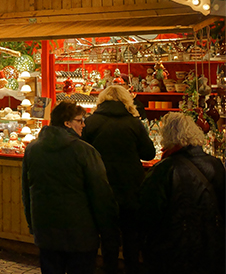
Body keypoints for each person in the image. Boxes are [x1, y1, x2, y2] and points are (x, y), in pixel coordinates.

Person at [22, 101, 118, 274]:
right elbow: (101, 195)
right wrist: (108, 231)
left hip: (46, 231)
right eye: (80, 120)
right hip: (80, 234)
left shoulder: (32, 149)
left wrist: (32, 224)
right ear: (67, 123)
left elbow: (27, 190)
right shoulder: (84, 151)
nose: (84, 125)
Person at [81, 85, 155, 274]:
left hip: (102, 185)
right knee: (131, 234)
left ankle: (109, 268)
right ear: (126, 101)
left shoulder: (91, 122)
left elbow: (83, 153)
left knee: (108, 235)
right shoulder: (133, 123)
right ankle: (131, 268)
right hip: (131, 186)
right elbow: (148, 154)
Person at [138, 112, 225, 274]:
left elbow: (148, 213)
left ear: (167, 136)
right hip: (211, 245)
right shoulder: (215, 165)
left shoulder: (164, 169)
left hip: (173, 248)